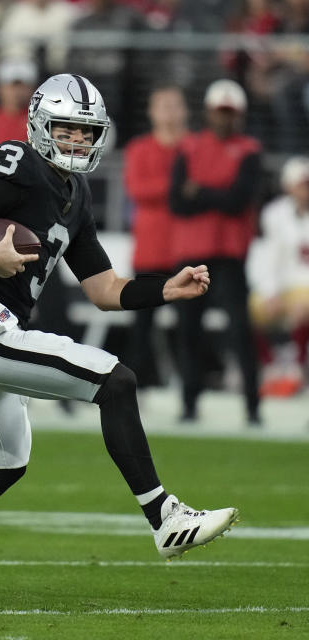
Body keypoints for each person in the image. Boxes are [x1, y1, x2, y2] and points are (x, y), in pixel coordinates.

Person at [0, 74, 238, 605]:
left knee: (4, 464)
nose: (76, 142)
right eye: (66, 130)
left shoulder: (77, 192)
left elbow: (106, 291)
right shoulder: (18, 164)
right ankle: (164, 516)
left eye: (86, 133)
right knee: (116, 380)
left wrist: (167, 290)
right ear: (41, 125)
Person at [168, 79, 263, 426]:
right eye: (220, 111)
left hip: (229, 253)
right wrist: (218, 195)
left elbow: (240, 201)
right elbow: (177, 201)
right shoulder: (189, 147)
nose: (225, 118)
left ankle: (253, 407)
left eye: (230, 112)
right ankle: (189, 403)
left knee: (241, 331)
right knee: (188, 330)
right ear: (209, 112)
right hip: (193, 254)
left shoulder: (249, 149)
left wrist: (201, 192)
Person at [122, 85, 188, 386]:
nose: (169, 112)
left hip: (188, 250)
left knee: (190, 324)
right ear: (151, 112)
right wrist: (178, 187)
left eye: (174, 105)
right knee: (142, 325)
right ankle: (137, 387)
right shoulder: (139, 148)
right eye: (163, 105)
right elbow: (137, 190)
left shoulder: (193, 147)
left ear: (185, 111)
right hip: (150, 251)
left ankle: (191, 393)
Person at [249, 156, 309, 392]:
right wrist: (269, 291)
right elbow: (267, 258)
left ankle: (296, 365)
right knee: (251, 309)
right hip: (282, 286)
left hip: (303, 285)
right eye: (301, 184)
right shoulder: (274, 214)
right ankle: (271, 366)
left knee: (304, 308)